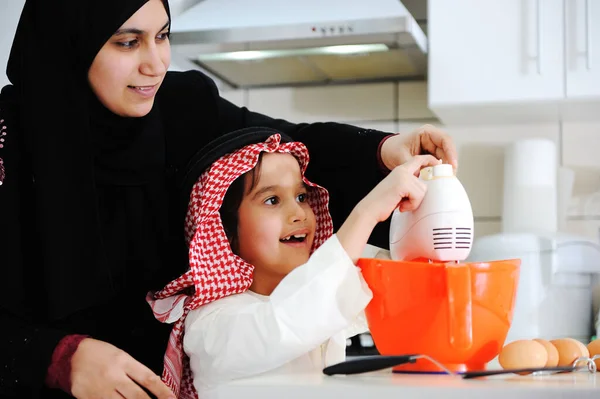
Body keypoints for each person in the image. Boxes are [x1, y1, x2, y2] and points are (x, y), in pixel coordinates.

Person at [0, 0, 458, 398]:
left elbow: (288, 145)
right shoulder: (9, 147)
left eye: (162, 36)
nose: (155, 64)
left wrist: (383, 151)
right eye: (127, 42)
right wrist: (56, 359)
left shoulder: (180, 108)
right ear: (71, 44)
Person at [146, 129, 441, 399]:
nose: (299, 212)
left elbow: (398, 275)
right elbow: (288, 320)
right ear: (225, 232)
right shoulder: (210, 325)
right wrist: (367, 212)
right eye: (272, 200)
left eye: (301, 196)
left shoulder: (311, 285)